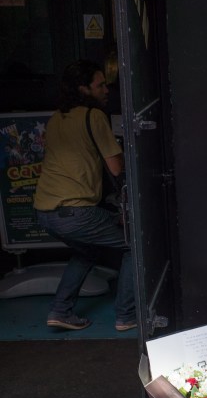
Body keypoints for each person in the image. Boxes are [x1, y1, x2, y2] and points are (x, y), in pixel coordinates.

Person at [33, 59, 136, 332]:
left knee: (86, 251)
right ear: (83, 89)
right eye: (100, 85)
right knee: (132, 245)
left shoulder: (57, 118)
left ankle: (60, 310)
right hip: (76, 212)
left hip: (44, 212)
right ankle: (126, 316)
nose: (106, 90)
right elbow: (115, 166)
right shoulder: (94, 117)